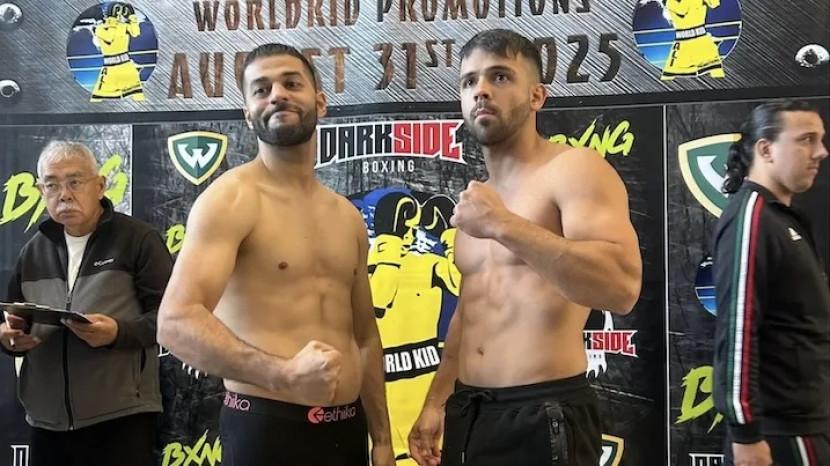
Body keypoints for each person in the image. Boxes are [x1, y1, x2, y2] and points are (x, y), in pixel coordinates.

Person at [407, 29, 643, 466]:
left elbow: (620, 287)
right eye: (469, 81)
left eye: (499, 77)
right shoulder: (477, 201)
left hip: (544, 412)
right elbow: (470, 310)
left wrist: (503, 225)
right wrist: (436, 401)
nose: (481, 90)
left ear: (537, 96)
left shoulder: (573, 170)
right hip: (471, 411)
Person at [156, 43, 394, 466]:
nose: (277, 95)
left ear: (320, 102)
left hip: (346, 429)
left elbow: (364, 337)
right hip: (267, 427)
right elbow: (175, 322)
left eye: (291, 83)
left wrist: (382, 440)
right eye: (261, 89)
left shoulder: (346, 217)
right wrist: (282, 375)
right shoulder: (232, 198)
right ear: (248, 114)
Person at [0, 141, 172, 466]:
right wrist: (9, 339)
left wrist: (118, 333)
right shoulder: (32, 251)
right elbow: (14, 321)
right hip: (47, 422)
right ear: (40, 191)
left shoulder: (138, 240)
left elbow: (171, 320)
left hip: (120, 417)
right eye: (52, 185)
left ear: (100, 185)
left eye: (75, 182)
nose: (64, 194)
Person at [712, 101, 829, 466]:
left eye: (820, 140)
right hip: (780, 434)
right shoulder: (751, 217)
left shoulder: (782, 219)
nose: (821, 152)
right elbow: (737, 329)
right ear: (766, 149)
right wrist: (746, 434)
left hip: (806, 423)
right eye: (806, 140)